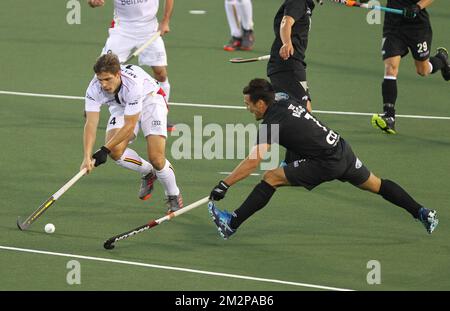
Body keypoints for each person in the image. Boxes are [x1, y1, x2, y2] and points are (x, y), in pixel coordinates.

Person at [208, 78, 438, 239]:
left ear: (261, 103)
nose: (248, 109)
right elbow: (301, 123)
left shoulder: (270, 124)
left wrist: (225, 184)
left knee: (271, 177)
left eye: (248, 104)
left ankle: (231, 223)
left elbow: (253, 161)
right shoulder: (283, 98)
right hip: (340, 148)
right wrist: (291, 160)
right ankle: (421, 212)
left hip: (325, 162)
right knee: (377, 184)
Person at [81, 53, 183, 212]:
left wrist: (103, 149)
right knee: (115, 151)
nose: (104, 85)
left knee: (156, 158)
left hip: (151, 101)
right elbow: (91, 123)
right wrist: (87, 156)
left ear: (118, 74)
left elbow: (129, 126)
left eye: (108, 79)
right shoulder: (93, 89)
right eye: (100, 80)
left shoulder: (132, 85)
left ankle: (173, 194)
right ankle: (148, 172)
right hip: (121, 106)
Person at [87, 0, 175, 131]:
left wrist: (165, 21)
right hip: (122, 30)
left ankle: (161, 116)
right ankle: (91, 104)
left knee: (160, 73)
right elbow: (93, 2)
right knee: (103, 68)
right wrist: (94, 2)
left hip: (149, 29)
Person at [371, 0, 450, 134]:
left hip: (417, 26)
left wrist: (418, 6)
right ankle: (389, 117)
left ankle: (441, 60)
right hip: (394, 25)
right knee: (391, 67)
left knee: (423, 70)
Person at [267, 0, 321, 113]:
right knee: (302, 115)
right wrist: (287, 43)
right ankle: (269, 130)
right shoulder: (298, 2)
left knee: (303, 112)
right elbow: (286, 22)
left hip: (293, 63)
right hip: (288, 64)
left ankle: (272, 130)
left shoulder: (306, 5)